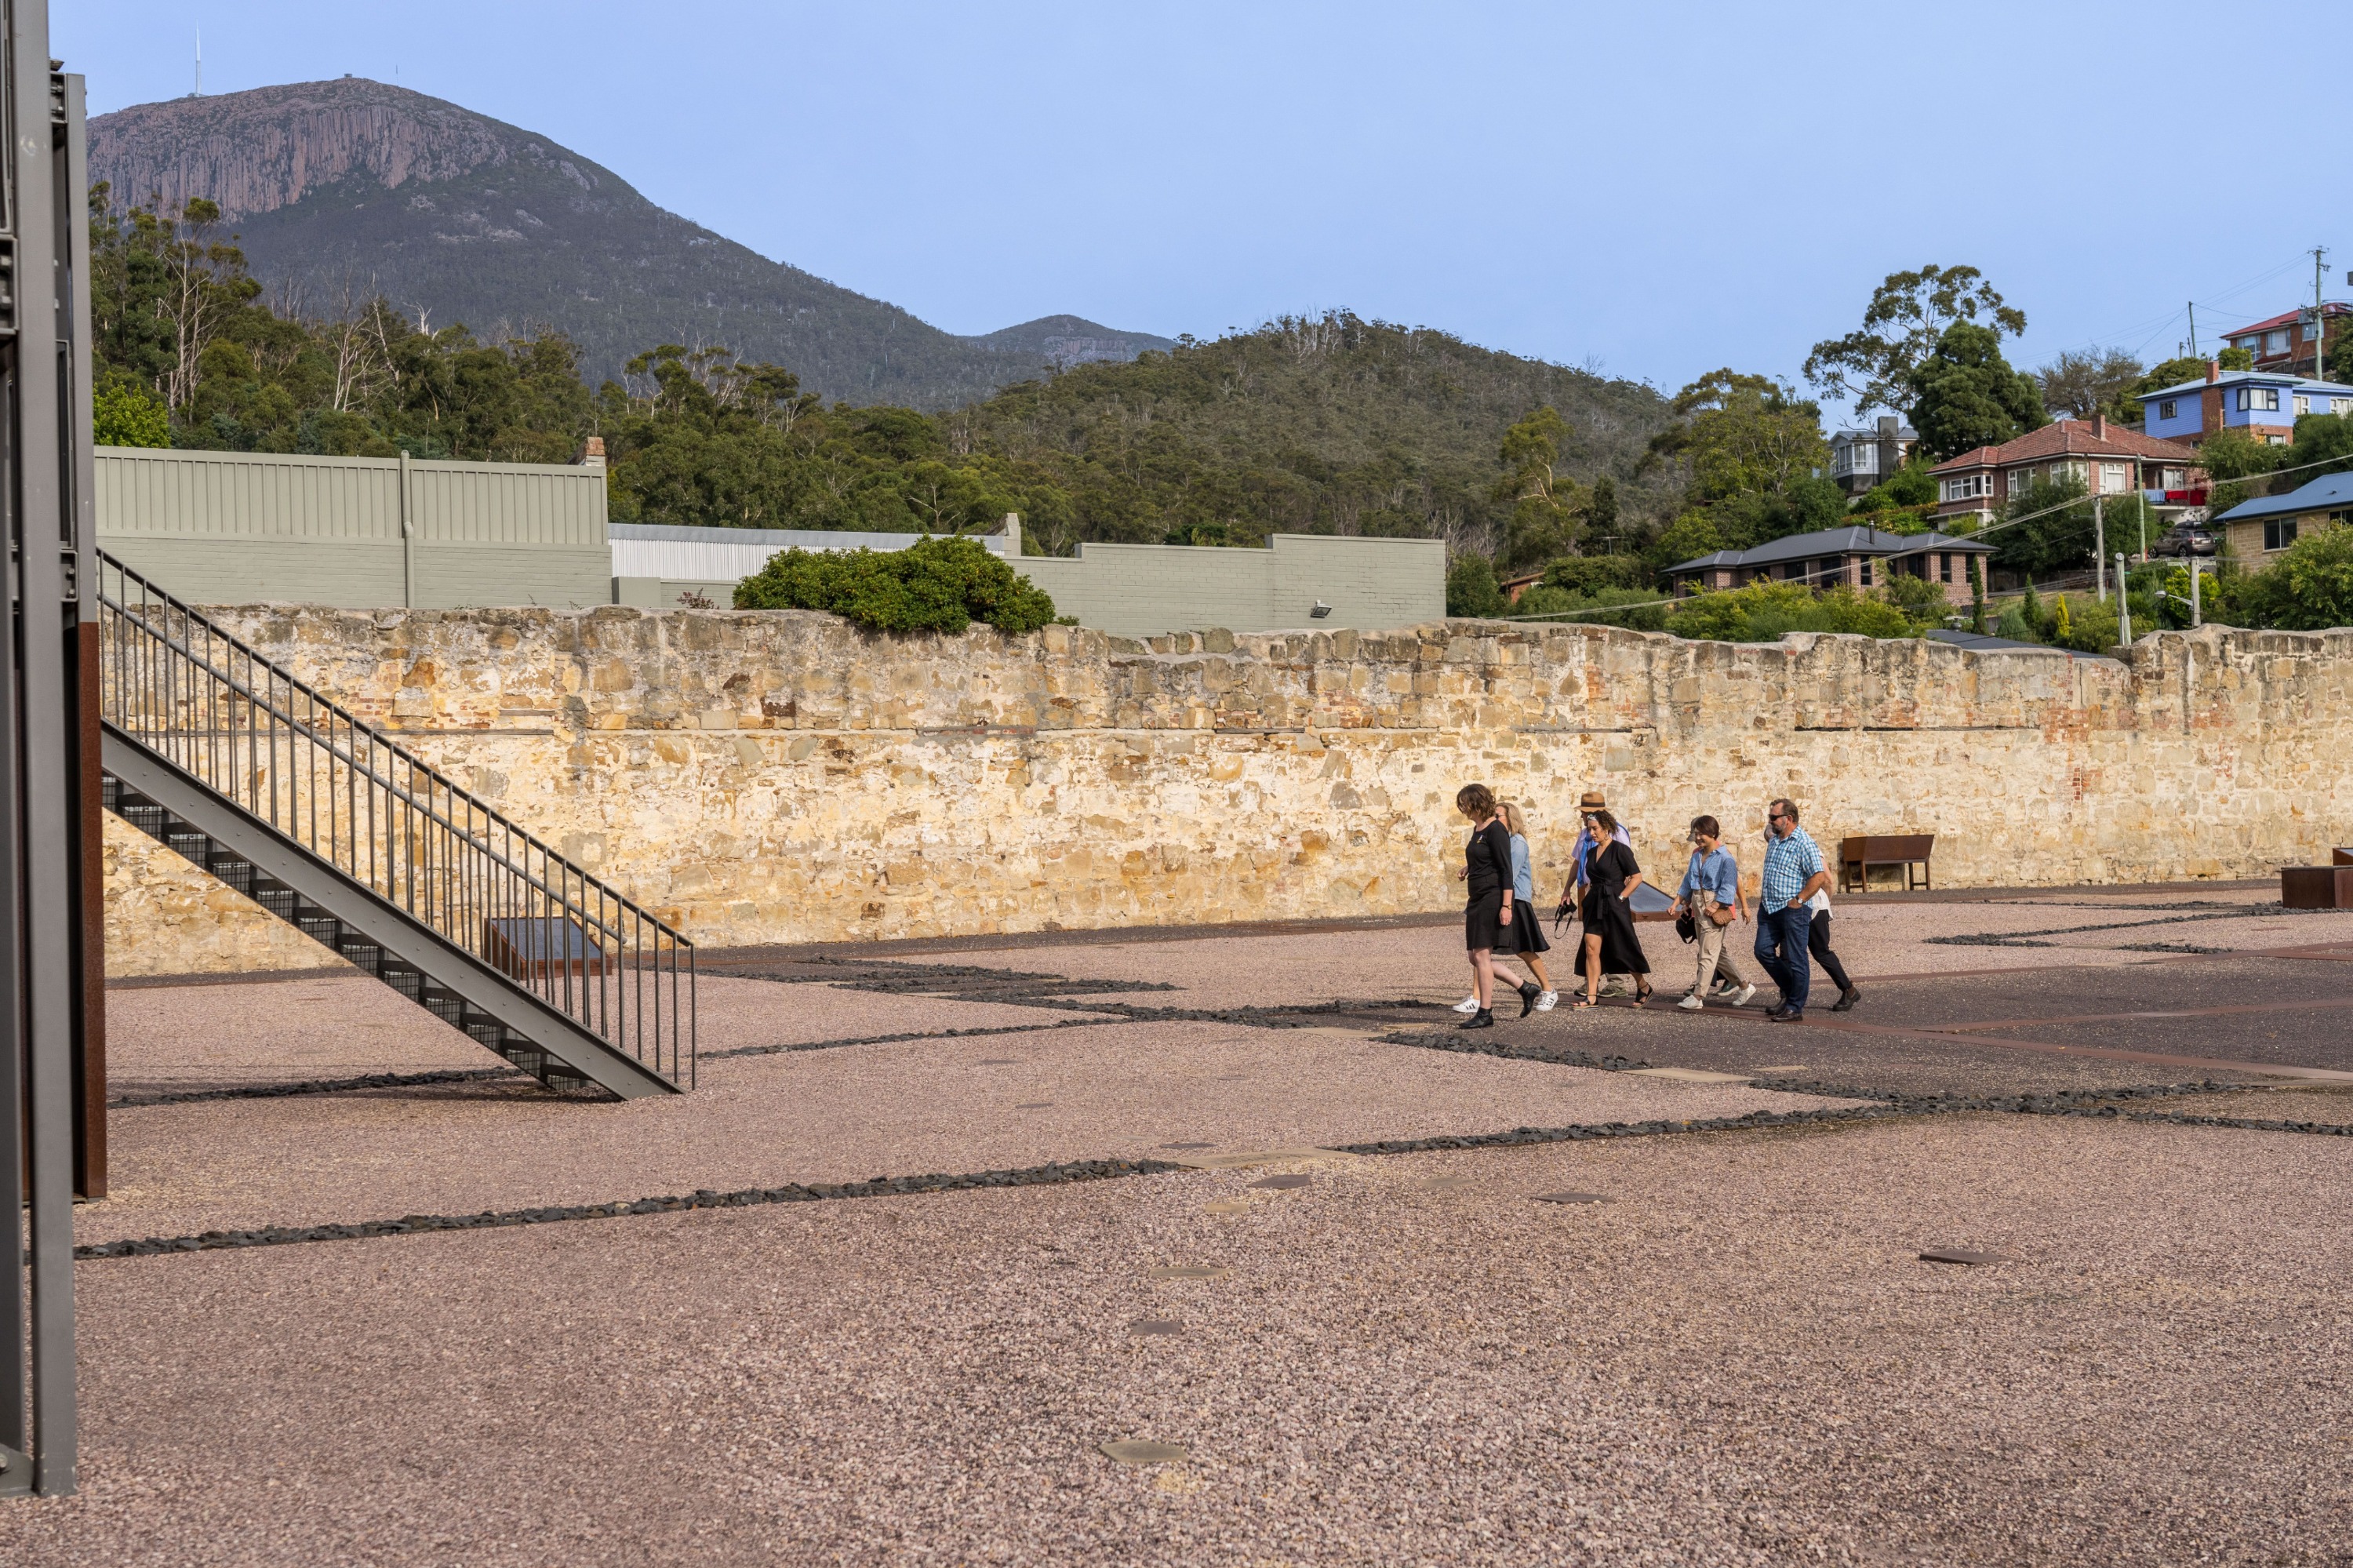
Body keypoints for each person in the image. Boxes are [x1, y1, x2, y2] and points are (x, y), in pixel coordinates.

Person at [1755, 797, 1831, 1022]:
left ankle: (1795, 1007)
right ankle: (1791, 992)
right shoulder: (1776, 839)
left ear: (1788, 819)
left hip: (1793, 909)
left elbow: (1819, 876)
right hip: (1769, 908)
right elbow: (1767, 834)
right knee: (1762, 951)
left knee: (1797, 958)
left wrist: (1800, 899)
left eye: (1773, 818)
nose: (1769, 822)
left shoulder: (1804, 843)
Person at [1671, 815, 1757, 1010]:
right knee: (1717, 953)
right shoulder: (1696, 855)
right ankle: (1744, 986)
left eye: (1702, 833)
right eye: (1696, 833)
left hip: (1712, 907)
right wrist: (1679, 902)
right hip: (1698, 904)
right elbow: (1688, 881)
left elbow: (1730, 885)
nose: (1698, 837)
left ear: (1713, 834)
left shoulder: (1725, 858)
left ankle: (1698, 996)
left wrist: (1717, 905)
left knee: (1707, 953)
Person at [1553, 790, 1633, 996]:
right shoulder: (1585, 833)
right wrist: (1567, 889)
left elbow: (1624, 862)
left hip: (1610, 891)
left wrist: (1621, 894)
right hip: (1592, 890)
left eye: (1587, 812)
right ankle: (1592, 981)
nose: (1583, 816)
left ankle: (1617, 982)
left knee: (1612, 936)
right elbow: (1578, 861)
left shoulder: (1617, 833)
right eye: (1583, 812)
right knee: (1592, 938)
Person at [1570, 807, 1651, 1007]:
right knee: (1591, 949)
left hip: (1615, 903)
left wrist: (1622, 897)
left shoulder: (1619, 849)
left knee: (1621, 947)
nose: (1591, 833)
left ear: (1606, 827)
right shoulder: (1590, 852)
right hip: (1594, 902)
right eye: (1589, 829)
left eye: (1595, 829)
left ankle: (1643, 986)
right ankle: (1591, 996)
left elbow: (1637, 877)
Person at [1453, 782, 1517, 1030]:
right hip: (1476, 897)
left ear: (1477, 802)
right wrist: (1469, 867)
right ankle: (1524, 987)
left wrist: (1507, 906)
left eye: (1465, 804)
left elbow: (1505, 869)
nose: (1463, 809)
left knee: (1481, 956)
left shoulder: (1496, 830)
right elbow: (1483, 858)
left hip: (1492, 897)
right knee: (1475, 957)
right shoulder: (1478, 829)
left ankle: (1485, 1012)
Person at [1499, 802, 1557, 1013]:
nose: (1495, 820)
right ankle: (1477, 998)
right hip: (1502, 899)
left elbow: (1509, 875)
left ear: (1510, 819)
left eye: (1499, 816)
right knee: (1482, 951)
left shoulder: (1517, 843)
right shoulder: (1501, 842)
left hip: (1516, 901)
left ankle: (1548, 990)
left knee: (1524, 949)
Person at [1806, 880, 1861, 1012]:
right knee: (1789, 951)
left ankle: (1849, 989)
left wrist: (1825, 903)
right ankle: (1787, 997)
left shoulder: (1816, 858)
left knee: (1821, 952)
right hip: (1794, 908)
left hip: (1815, 907)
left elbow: (1828, 881)